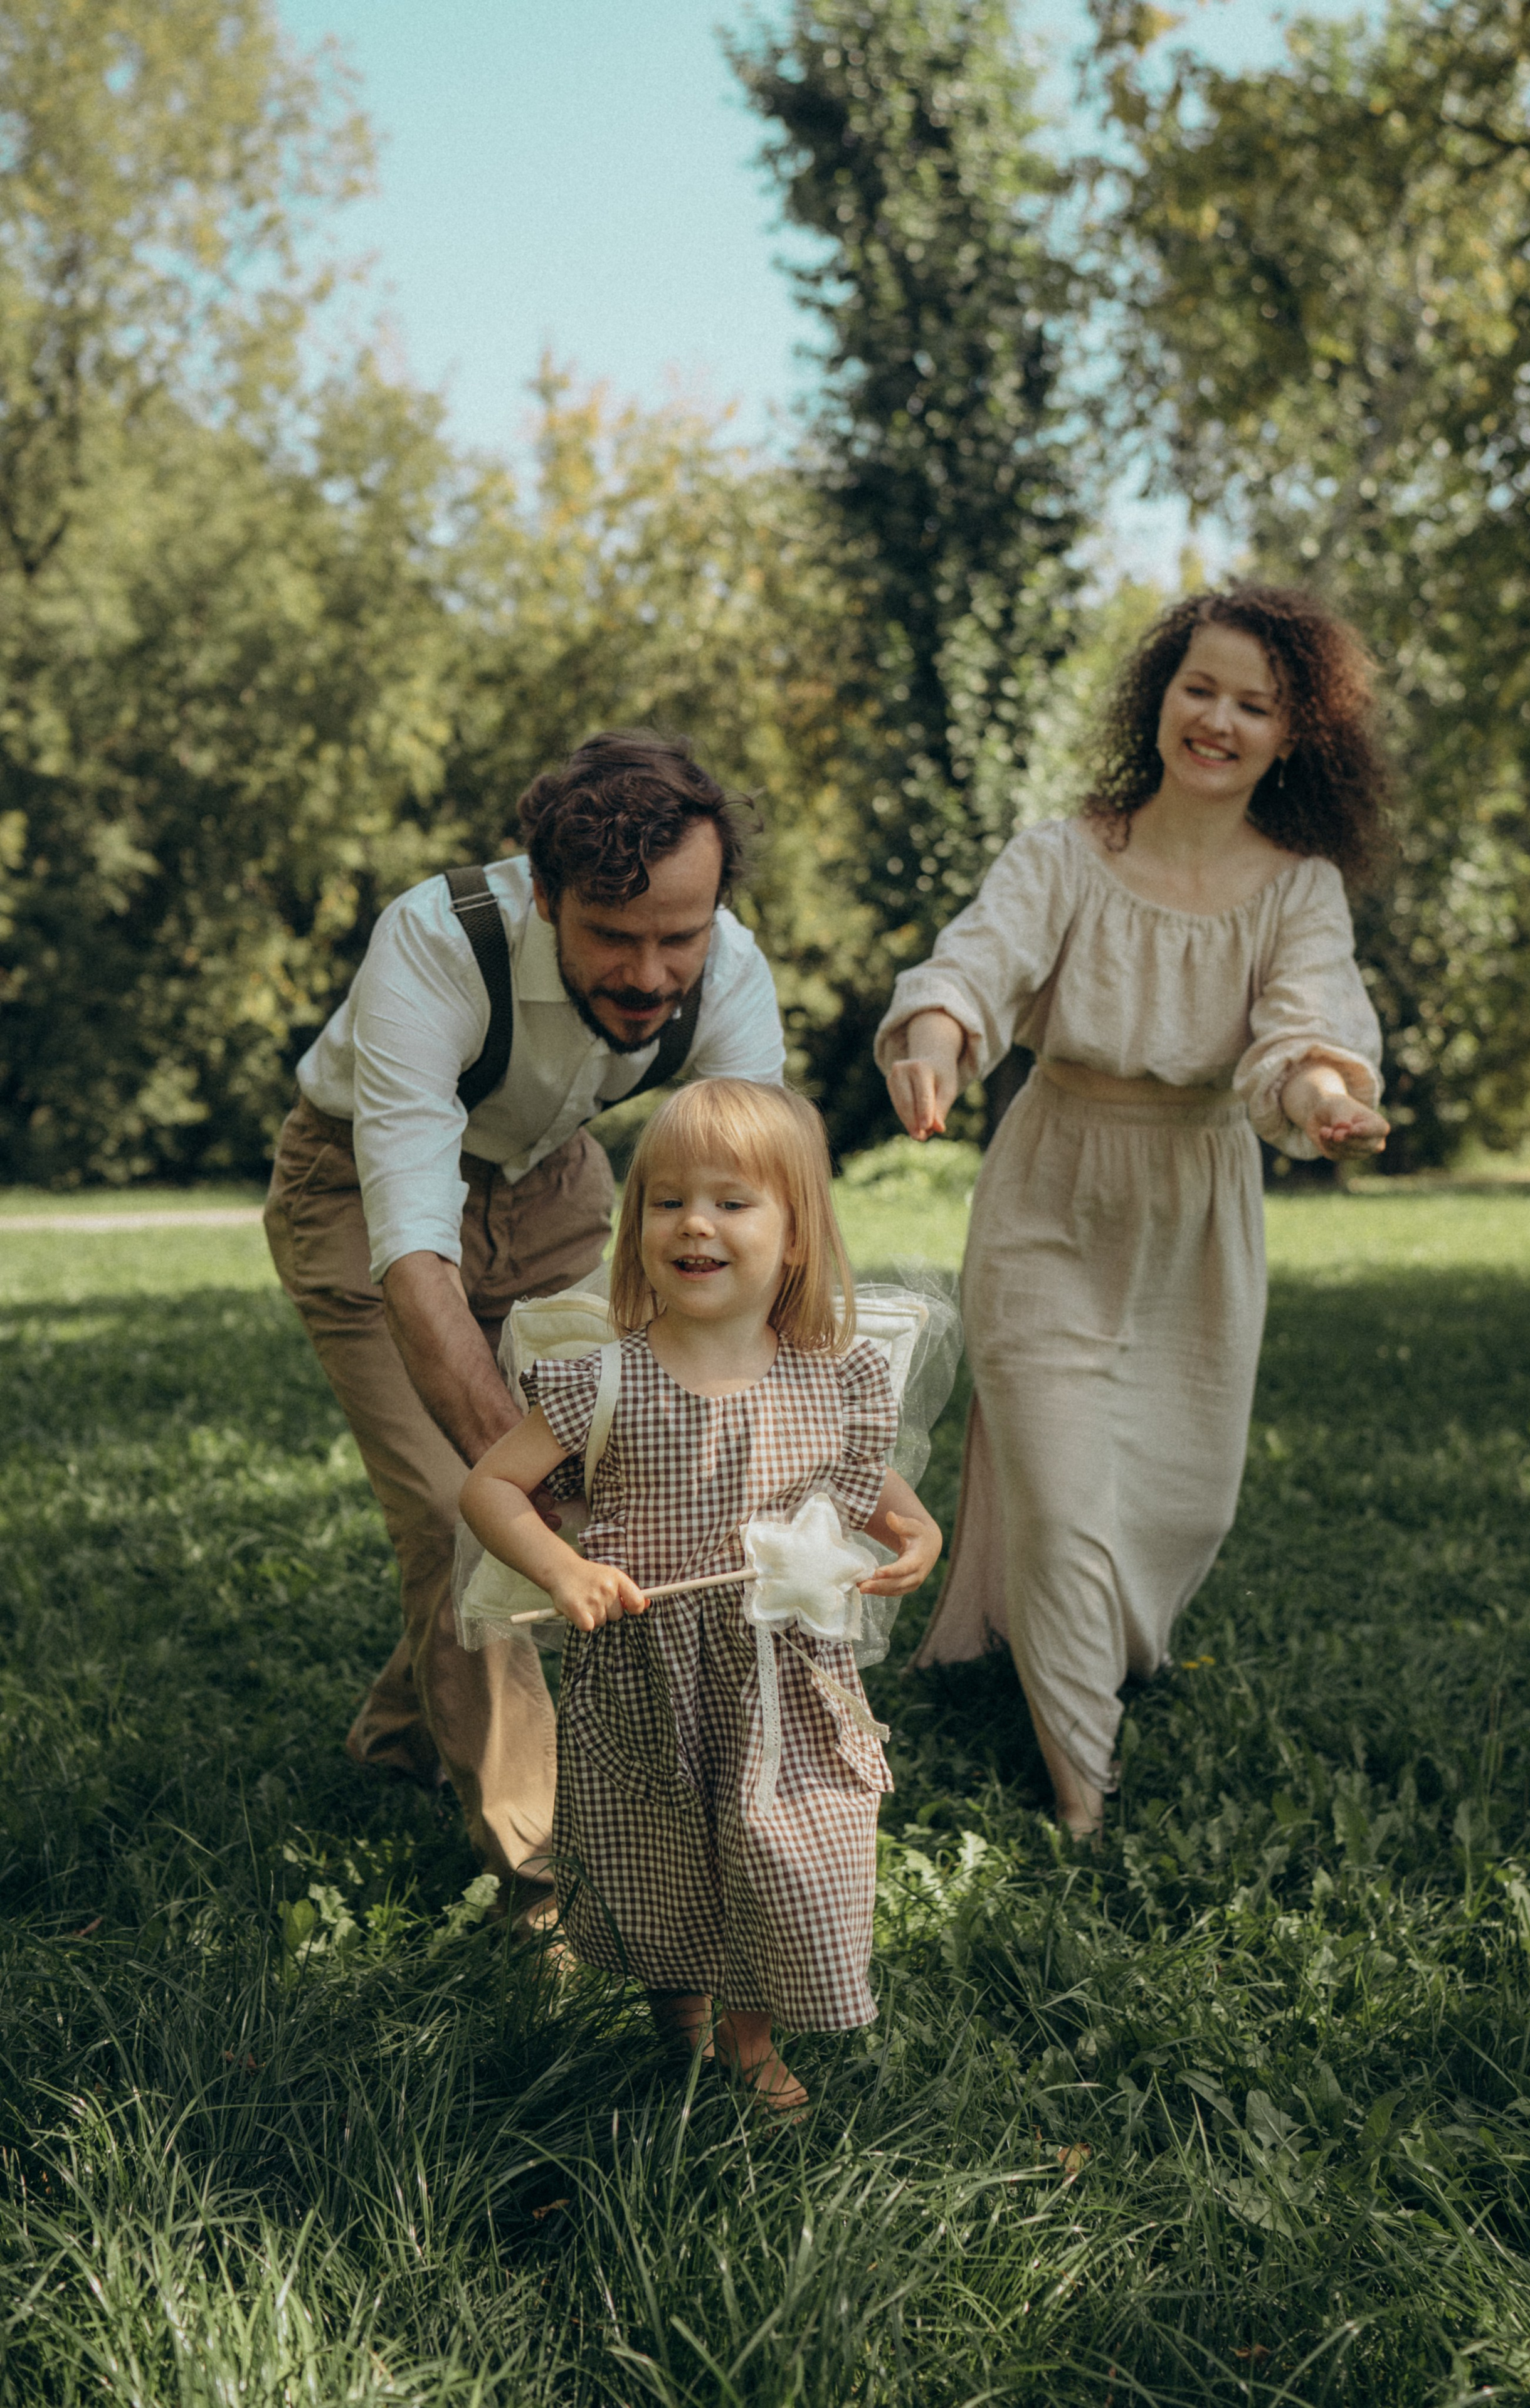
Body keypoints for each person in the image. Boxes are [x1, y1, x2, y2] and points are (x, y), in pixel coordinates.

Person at [877, 585, 1391, 1842]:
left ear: (1293, 734)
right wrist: (937, 1032)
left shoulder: (1299, 889)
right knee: (1060, 1498)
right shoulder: (1063, 855)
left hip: (1196, 1208)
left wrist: (1325, 1096)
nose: (1216, 720)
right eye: (1197, 688)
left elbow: (1303, 1029)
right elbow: (979, 961)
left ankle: (1083, 1646)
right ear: (1159, 697)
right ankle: (1080, 1796)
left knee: (1178, 1499)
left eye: (1253, 705)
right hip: (1051, 1190)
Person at [265, 732, 787, 1926]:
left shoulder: (730, 968)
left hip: (553, 1187)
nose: (651, 974)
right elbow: (415, 1250)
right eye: (613, 935)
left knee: (614, 1477)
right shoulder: (436, 940)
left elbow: (762, 1199)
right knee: (471, 1518)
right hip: (363, 1198)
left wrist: (776, 1415)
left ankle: (401, 1733)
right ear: (545, 896)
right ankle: (555, 1886)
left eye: (681, 936)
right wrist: (525, 1488)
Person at [460, 1079, 942, 2111]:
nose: (694, 1224)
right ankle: (681, 2023)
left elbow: (872, 1488)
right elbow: (490, 1488)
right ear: (637, 1228)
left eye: (732, 1202)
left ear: (796, 1236)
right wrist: (564, 1568)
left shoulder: (830, 1379)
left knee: (784, 1854)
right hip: (649, 1677)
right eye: (668, 1201)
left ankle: (749, 2034)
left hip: (784, 1683)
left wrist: (920, 1533)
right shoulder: (607, 1383)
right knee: (666, 1857)